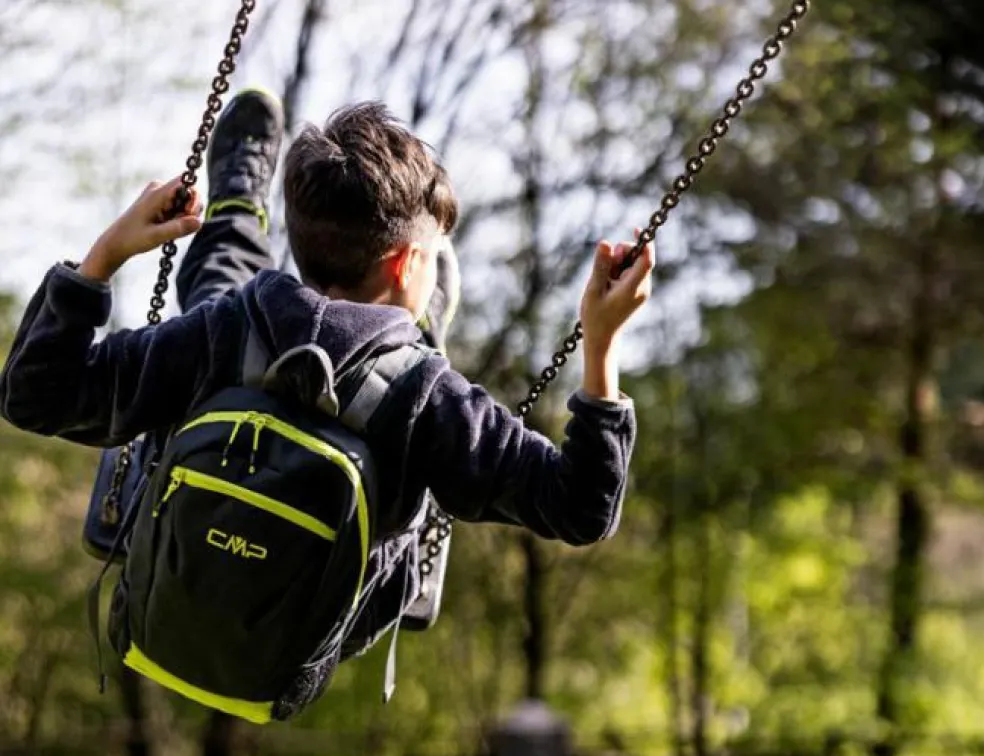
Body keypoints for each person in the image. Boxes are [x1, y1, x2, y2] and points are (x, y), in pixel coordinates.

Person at [0, 90, 654, 677]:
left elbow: (34, 393)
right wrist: (601, 343)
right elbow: (582, 506)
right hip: (300, 657)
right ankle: (417, 326)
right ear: (404, 262)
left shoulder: (220, 331)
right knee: (404, 381)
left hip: (155, 605)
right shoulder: (431, 397)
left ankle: (234, 207)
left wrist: (104, 257)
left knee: (222, 286)